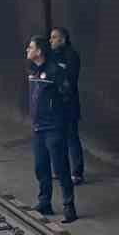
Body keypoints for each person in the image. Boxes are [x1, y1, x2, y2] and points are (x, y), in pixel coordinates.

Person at [26, 35, 77, 222]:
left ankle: (68, 205)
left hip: (53, 127)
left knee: (61, 167)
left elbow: (67, 95)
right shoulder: (32, 70)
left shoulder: (55, 71)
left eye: (30, 47)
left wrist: (57, 117)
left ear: (39, 51)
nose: (27, 50)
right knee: (41, 166)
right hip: (38, 127)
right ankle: (44, 201)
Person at [47, 26, 84, 184]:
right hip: (55, 105)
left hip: (68, 104)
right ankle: (58, 170)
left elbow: (69, 80)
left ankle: (76, 173)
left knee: (71, 137)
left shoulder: (71, 56)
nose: (51, 40)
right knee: (56, 139)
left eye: (54, 37)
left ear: (62, 39)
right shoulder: (52, 56)